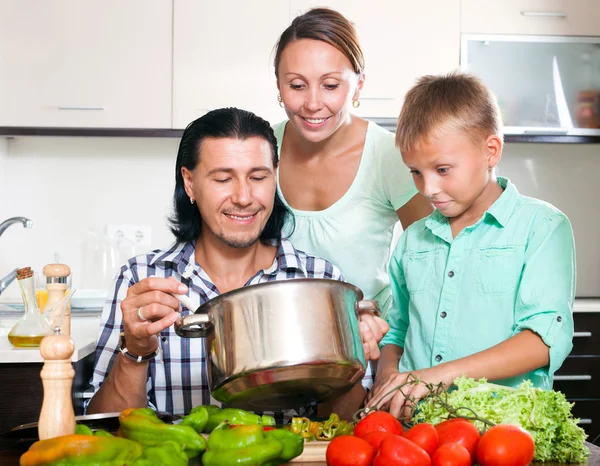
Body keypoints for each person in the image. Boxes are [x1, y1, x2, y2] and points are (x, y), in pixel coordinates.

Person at [86, 107, 388, 421]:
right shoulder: (142, 279)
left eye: (258, 177)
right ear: (189, 183)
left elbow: (345, 425)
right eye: (223, 178)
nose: (244, 197)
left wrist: (352, 361)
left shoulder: (321, 280)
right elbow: (105, 428)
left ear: (275, 177)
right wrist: (134, 350)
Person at [368, 72, 576, 418]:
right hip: (417, 432)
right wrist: (389, 377)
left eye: (443, 170)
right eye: (416, 172)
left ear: (490, 151)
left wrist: (437, 376)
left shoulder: (541, 228)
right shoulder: (412, 241)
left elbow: (543, 341)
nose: (428, 188)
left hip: (506, 432)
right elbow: (398, 331)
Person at [272, 8, 433, 318]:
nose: (313, 103)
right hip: (281, 339)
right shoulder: (260, 148)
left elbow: (429, 260)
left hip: (369, 345)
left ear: (358, 85)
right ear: (279, 86)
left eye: (330, 85)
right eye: (296, 85)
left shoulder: (389, 155)